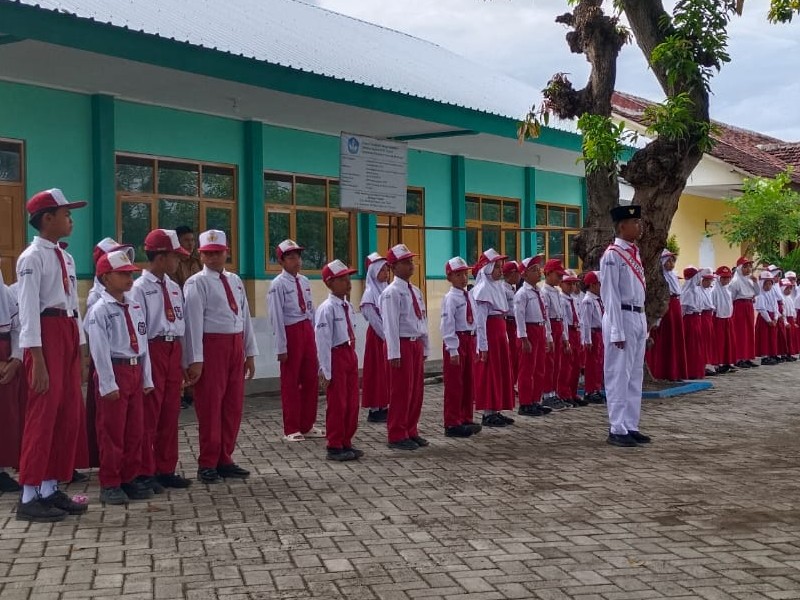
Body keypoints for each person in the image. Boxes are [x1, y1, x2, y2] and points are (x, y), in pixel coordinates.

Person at [15, 188, 90, 521]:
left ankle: (50, 487)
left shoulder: (65, 257)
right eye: (66, 214)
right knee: (43, 415)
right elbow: (29, 311)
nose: (71, 220)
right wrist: (38, 360)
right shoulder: (31, 258)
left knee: (67, 414)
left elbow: (73, 305)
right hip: (45, 336)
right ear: (47, 218)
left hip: (67, 331)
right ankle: (29, 494)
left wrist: (81, 349)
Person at [184, 230, 258, 483]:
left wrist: (250, 352)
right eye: (208, 254)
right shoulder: (197, 282)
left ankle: (225, 457)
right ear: (201, 255)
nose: (213, 258)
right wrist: (195, 359)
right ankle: (207, 462)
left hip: (235, 344)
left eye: (218, 253)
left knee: (232, 405)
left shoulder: (235, 280)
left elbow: (244, 316)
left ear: (227, 252)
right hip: (212, 345)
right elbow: (193, 322)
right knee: (210, 406)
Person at [85, 250, 155, 505]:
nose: (129, 279)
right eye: (122, 274)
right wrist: (107, 382)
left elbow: (143, 343)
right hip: (115, 370)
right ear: (106, 278)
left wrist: (146, 378)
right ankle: (110, 482)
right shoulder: (100, 310)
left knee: (134, 430)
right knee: (112, 431)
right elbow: (99, 350)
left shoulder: (134, 306)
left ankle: (129, 476)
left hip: (135, 369)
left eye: (130, 274)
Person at [131, 229, 193, 490]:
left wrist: (184, 361)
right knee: (150, 413)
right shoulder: (138, 289)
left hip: (172, 348)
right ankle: (145, 470)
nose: (179, 261)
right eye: (175, 256)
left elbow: (181, 325)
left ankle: (166, 467)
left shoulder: (174, 287)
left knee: (170, 410)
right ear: (160, 256)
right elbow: (139, 329)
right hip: (152, 348)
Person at [600, 204, 650, 448]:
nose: (639, 226)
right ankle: (617, 427)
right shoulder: (613, 255)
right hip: (621, 315)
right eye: (635, 223)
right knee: (619, 374)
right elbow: (610, 294)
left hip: (637, 315)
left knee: (634, 375)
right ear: (622, 226)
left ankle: (631, 425)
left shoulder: (634, 253)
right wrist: (616, 330)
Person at [267, 239, 324, 442]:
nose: (296, 261)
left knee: (310, 378)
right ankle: (291, 427)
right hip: (290, 331)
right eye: (290, 257)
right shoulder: (277, 284)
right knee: (291, 381)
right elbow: (276, 316)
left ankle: (307, 424)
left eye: (298, 257)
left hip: (306, 329)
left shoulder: (304, 281)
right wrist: (281, 346)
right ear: (281, 261)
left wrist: (315, 336)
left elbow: (311, 309)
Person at [380, 244, 429, 450]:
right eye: (405, 262)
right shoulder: (391, 293)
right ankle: (397, 433)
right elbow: (390, 324)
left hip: (414, 343)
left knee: (416, 390)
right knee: (401, 391)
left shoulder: (415, 291)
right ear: (393, 267)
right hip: (401, 343)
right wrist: (394, 352)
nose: (411, 265)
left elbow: (422, 319)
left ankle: (411, 429)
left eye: (411, 261)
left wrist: (425, 345)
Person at [315, 259, 362, 462]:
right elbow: (323, 341)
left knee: (352, 402)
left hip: (349, 353)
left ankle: (346, 441)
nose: (348, 282)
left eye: (348, 278)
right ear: (330, 283)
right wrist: (325, 370)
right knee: (338, 403)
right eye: (342, 279)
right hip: (336, 355)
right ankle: (334, 444)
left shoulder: (347, 306)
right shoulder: (326, 309)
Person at [472, 248, 515, 427]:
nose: (500, 270)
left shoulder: (497, 287)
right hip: (490, 334)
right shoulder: (483, 290)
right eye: (496, 267)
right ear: (487, 268)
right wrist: (483, 346)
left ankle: (496, 409)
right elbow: (480, 322)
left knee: (499, 371)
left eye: (501, 266)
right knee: (490, 372)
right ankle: (488, 412)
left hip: (499, 333)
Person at [440, 256, 481, 437]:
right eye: (458, 275)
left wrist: (476, 344)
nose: (463, 278)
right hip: (457, 340)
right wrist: (452, 348)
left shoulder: (468, 295)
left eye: (465, 274)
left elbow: (475, 319)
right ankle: (452, 422)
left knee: (468, 382)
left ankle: (465, 417)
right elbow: (447, 324)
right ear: (449, 277)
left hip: (469, 339)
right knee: (455, 383)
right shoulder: (450, 298)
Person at [514, 255, 552, 417]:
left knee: (539, 368)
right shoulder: (522, 293)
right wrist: (524, 338)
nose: (539, 272)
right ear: (524, 274)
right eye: (534, 270)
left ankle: (536, 400)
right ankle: (525, 403)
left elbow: (545, 315)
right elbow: (519, 317)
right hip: (529, 331)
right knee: (527, 369)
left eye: (538, 269)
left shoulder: (539, 291)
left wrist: (548, 336)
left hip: (540, 329)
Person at [646, 249, 688, 381]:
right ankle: (663, 371)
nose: (671, 264)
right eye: (668, 261)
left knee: (676, 339)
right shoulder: (659, 278)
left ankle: (676, 372)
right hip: (666, 309)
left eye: (672, 261)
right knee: (665, 340)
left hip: (675, 307)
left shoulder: (673, 276)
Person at [0, 263, 23, 493]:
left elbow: (17, 328)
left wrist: (16, 359)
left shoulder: (5, 294)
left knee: (5, 416)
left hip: (6, 361)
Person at [174, 226, 202, 410]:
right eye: (186, 240)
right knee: (182, 355)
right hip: (180, 314)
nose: (190, 244)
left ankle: (193, 392)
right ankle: (182, 392)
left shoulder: (198, 262)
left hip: (198, 314)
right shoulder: (174, 264)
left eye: (192, 240)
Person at [359, 252, 389, 423]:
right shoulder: (369, 294)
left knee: (385, 372)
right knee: (376, 371)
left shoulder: (386, 289)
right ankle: (375, 408)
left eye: (387, 269)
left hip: (387, 336)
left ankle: (384, 405)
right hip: (378, 337)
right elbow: (374, 320)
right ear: (373, 272)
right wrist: (387, 337)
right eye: (382, 270)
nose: (386, 273)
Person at [540, 259, 571, 411]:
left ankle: (553, 392)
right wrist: (548, 335)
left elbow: (562, 316)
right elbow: (545, 316)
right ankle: (547, 394)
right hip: (551, 326)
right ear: (548, 273)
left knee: (557, 363)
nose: (560, 278)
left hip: (558, 325)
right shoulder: (544, 293)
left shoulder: (557, 293)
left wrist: (565, 337)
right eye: (557, 275)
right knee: (549, 363)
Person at [558, 271, 586, 407]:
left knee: (576, 366)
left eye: (574, 284)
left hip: (576, 332)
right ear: (561, 284)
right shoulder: (561, 300)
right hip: (568, 331)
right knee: (566, 367)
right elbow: (563, 320)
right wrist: (566, 339)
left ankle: (573, 393)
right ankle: (564, 393)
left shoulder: (574, 300)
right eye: (568, 284)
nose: (572, 286)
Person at [728, 257, 760, 369]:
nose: (748, 269)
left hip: (749, 305)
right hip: (740, 306)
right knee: (741, 332)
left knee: (749, 331)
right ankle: (739, 358)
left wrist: (756, 282)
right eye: (745, 267)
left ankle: (747, 357)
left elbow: (757, 292)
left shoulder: (750, 280)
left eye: (750, 267)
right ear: (740, 268)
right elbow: (731, 297)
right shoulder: (735, 281)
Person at [580, 270, 605, 404]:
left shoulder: (598, 300)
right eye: (599, 284)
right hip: (593, 333)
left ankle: (597, 388)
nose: (601, 287)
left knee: (599, 363)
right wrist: (587, 339)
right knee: (592, 364)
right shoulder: (588, 301)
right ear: (592, 285)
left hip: (600, 333)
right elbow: (586, 322)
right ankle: (590, 390)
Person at [680, 266, 706, 380]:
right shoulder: (688, 292)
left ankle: (697, 370)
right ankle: (690, 370)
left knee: (697, 346)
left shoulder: (696, 291)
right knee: (691, 346)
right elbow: (683, 310)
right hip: (689, 321)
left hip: (696, 319)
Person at [711, 266, 737, 374]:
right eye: (723, 278)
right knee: (719, 342)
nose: (726, 280)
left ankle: (727, 361)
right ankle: (718, 363)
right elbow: (713, 306)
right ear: (718, 278)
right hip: (718, 318)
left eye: (728, 278)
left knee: (728, 341)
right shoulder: (714, 291)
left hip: (727, 318)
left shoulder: (727, 290)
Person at [502, 260, 522, 386]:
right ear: (511, 274)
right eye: (518, 273)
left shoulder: (513, 289)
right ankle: (509, 384)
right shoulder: (502, 289)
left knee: (516, 356)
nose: (520, 276)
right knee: (511, 355)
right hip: (508, 323)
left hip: (515, 323)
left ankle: (513, 383)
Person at [755, 270, 780, 365]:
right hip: (764, 319)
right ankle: (764, 357)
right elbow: (762, 309)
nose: (768, 286)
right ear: (762, 284)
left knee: (772, 337)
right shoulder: (760, 295)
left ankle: (772, 354)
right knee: (764, 337)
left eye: (770, 284)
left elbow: (776, 307)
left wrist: (776, 318)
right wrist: (769, 320)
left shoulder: (772, 294)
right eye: (766, 284)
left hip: (773, 318)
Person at [700, 269, 718, 377]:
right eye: (706, 280)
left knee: (709, 340)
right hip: (702, 316)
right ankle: (703, 364)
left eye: (710, 280)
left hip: (708, 316)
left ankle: (708, 363)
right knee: (703, 341)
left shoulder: (708, 291)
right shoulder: (698, 290)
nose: (709, 282)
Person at [780, 278, 798, 361]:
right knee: (785, 338)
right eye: (787, 289)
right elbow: (783, 311)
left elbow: (793, 309)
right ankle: (784, 354)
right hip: (786, 320)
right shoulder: (782, 299)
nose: (789, 291)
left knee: (791, 338)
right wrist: (785, 322)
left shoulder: (789, 298)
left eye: (790, 289)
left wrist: (794, 320)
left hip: (790, 320)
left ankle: (790, 353)